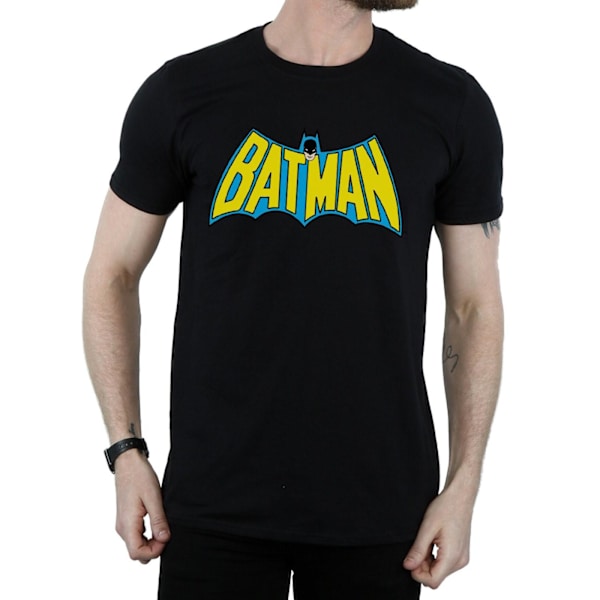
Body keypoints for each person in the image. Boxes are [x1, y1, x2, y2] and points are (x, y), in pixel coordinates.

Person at [83, 0, 504, 598]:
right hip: (213, 505)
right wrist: (126, 453)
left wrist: (464, 485)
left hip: (381, 510)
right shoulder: (186, 92)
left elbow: (474, 308)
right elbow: (112, 273)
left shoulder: (449, 104)